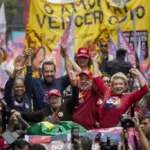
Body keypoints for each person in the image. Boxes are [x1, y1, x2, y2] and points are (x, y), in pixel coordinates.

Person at [62, 45, 102, 129]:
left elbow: (97, 81)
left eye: (84, 58)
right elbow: (70, 72)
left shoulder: (94, 75)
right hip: (74, 122)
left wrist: (94, 61)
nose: (82, 60)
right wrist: (66, 55)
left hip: (90, 122)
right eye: (80, 58)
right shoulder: (76, 80)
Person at [8, 84, 78, 130]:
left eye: (56, 97)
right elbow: (31, 115)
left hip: (66, 136)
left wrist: (74, 85)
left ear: (60, 98)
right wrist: (19, 113)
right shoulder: (44, 111)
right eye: (51, 98)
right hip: (50, 139)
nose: (54, 100)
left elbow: (75, 97)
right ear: (48, 100)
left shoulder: (67, 105)